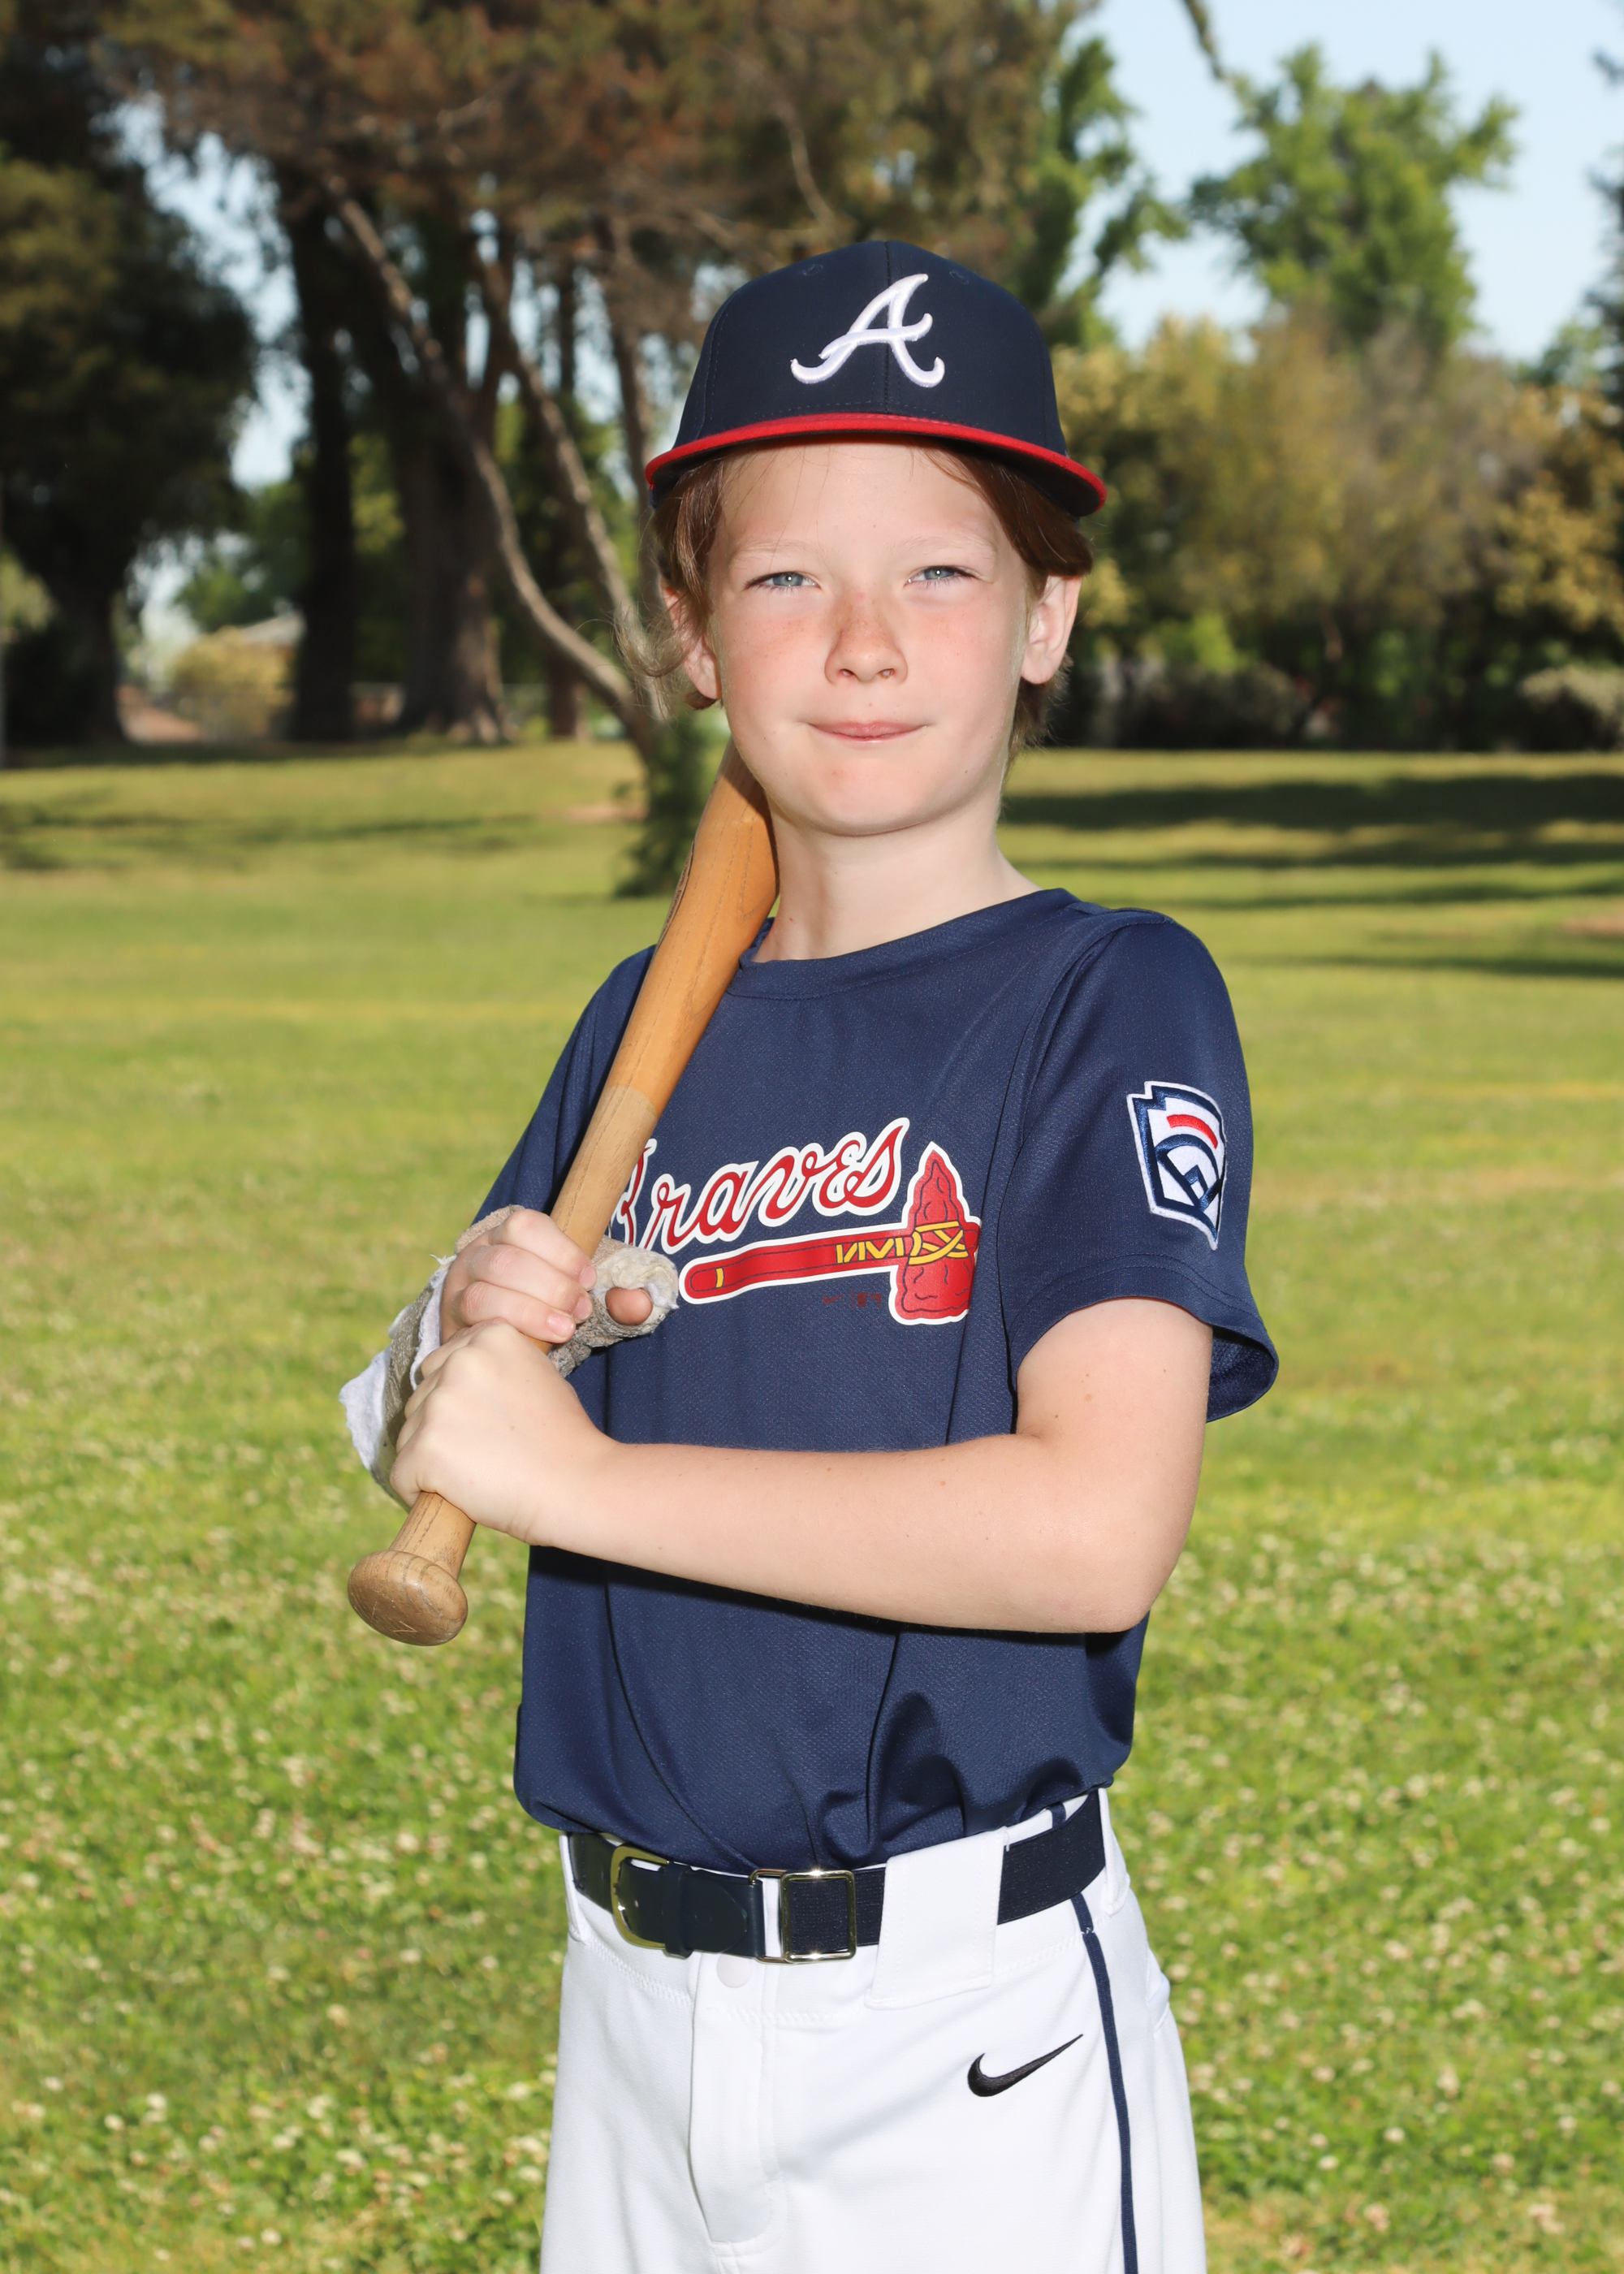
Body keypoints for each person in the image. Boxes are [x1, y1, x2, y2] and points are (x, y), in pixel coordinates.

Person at [343, 241, 1276, 2274]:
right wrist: (458, 1325)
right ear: (690, 634)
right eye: (783, 576)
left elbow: (1093, 1530)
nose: (861, 642)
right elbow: (438, 1417)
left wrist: (582, 1479)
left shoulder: (1108, 996)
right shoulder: (647, 1018)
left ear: (1046, 616)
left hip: (960, 2039)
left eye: (938, 569)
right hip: (629, 2006)